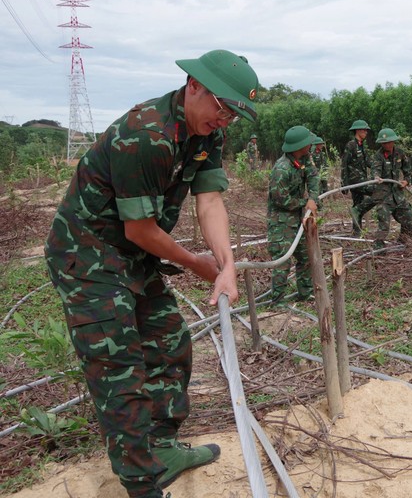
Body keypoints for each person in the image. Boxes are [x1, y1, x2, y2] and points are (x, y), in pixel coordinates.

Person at [43, 49, 258, 498]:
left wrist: (228, 266)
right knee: (119, 370)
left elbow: (210, 202)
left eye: (233, 116)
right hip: (89, 258)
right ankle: (142, 484)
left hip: (134, 255)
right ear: (194, 86)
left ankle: (163, 449)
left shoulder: (205, 132)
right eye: (222, 108)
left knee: (169, 343)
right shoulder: (145, 135)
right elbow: (139, 228)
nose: (224, 121)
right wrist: (198, 264)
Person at [268, 126, 320, 301]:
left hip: (299, 217)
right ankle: (278, 300)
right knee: (282, 261)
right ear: (299, 146)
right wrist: (305, 202)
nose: (311, 145)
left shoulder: (305, 158)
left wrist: (313, 198)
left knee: (305, 257)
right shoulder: (281, 169)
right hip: (281, 222)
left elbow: (313, 177)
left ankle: (305, 294)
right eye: (308, 143)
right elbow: (280, 200)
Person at [370, 128, 412, 249]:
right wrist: (377, 177)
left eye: (389, 142)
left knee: (409, 218)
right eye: (384, 143)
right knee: (384, 225)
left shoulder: (400, 153)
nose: (387, 145)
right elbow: (375, 170)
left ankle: (403, 241)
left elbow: (407, 169)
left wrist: (406, 180)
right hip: (383, 196)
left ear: (393, 141)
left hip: (397, 194)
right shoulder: (378, 156)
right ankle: (378, 248)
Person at [340, 119, 377, 236]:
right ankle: (356, 214)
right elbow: (344, 164)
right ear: (358, 131)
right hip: (355, 180)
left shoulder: (362, 146)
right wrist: (344, 183)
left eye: (366, 130)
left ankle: (357, 232)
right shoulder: (350, 145)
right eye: (364, 130)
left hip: (362, 179)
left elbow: (369, 162)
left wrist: (378, 172)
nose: (366, 132)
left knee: (358, 205)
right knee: (378, 192)